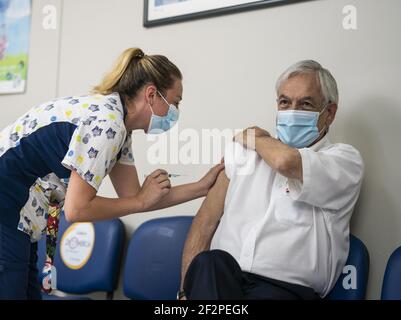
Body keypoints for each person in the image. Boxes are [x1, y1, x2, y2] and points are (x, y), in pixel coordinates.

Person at [0, 48, 224, 299]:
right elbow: (77, 210)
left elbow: (137, 197)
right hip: (7, 206)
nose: (176, 111)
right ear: (152, 94)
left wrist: (202, 187)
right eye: (175, 101)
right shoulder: (107, 124)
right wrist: (140, 200)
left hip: (19, 214)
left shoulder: (119, 127)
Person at [179, 60, 364, 300]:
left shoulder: (344, 161)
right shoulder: (243, 153)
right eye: (285, 102)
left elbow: (286, 162)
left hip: (285, 290)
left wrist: (253, 136)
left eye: (305, 104)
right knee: (210, 262)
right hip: (222, 282)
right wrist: (184, 292)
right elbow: (204, 225)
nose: (292, 110)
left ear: (329, 113)